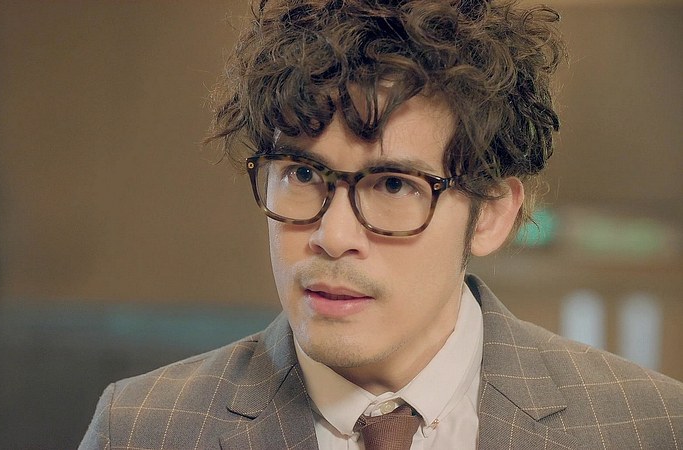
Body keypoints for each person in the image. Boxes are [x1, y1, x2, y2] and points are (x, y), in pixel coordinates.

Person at [80, 0, 683, 448]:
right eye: (302, 174)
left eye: (394, 185)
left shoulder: (649, 426)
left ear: (492, 213)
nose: (333, 236)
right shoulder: (141, 428)